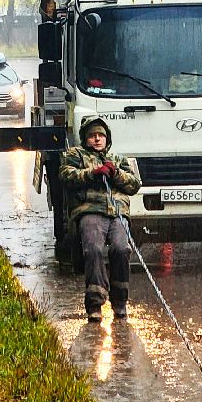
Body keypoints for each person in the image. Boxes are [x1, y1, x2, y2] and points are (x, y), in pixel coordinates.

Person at [59, 116, 141, 322]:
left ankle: (120, 302)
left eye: (100, 136)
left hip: (118, 213)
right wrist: (93, 173)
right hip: (90, 211)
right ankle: (95, 304)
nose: (97, 139)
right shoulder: (74, 155)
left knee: (122, 249)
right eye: (92, 136)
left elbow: (134, 185)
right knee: (93, 249)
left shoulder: (119, 159)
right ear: (85, 138)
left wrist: (116, 174)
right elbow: (66, 176)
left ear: (107, 138)